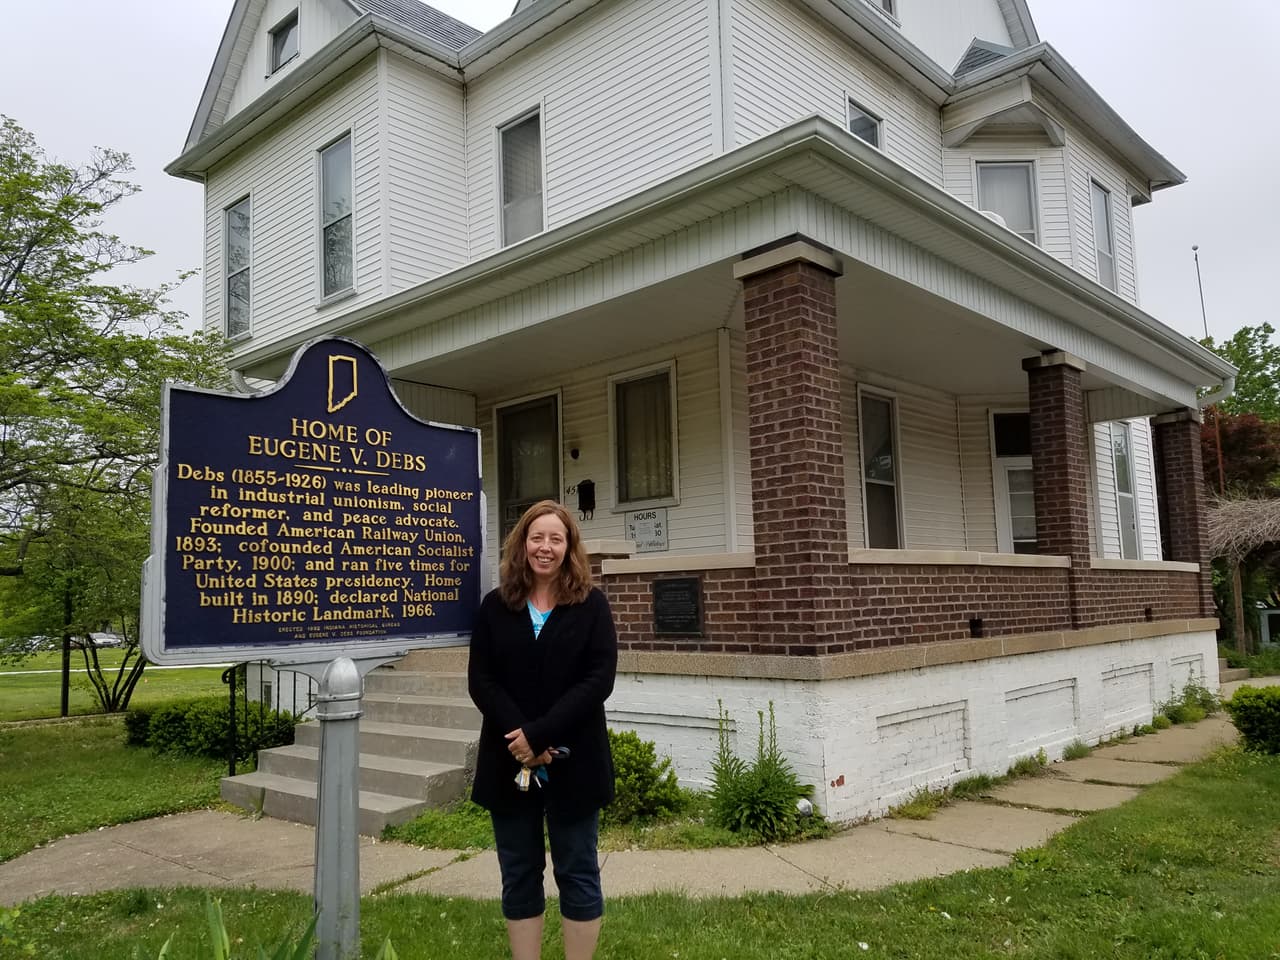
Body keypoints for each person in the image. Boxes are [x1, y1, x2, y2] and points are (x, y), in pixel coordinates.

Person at [468, 499, 618, 960]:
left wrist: (541, 735)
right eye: (537, 538)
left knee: (577, 871)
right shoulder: (496, 606)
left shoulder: (591, 605)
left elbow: (599, 679)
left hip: (575, 760)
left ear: (570, 547)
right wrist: (522, 737)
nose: (545, 547)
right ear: (522, 544)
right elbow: (482, 680)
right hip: (508, 758)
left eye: (556, 538)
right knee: (518, 872)